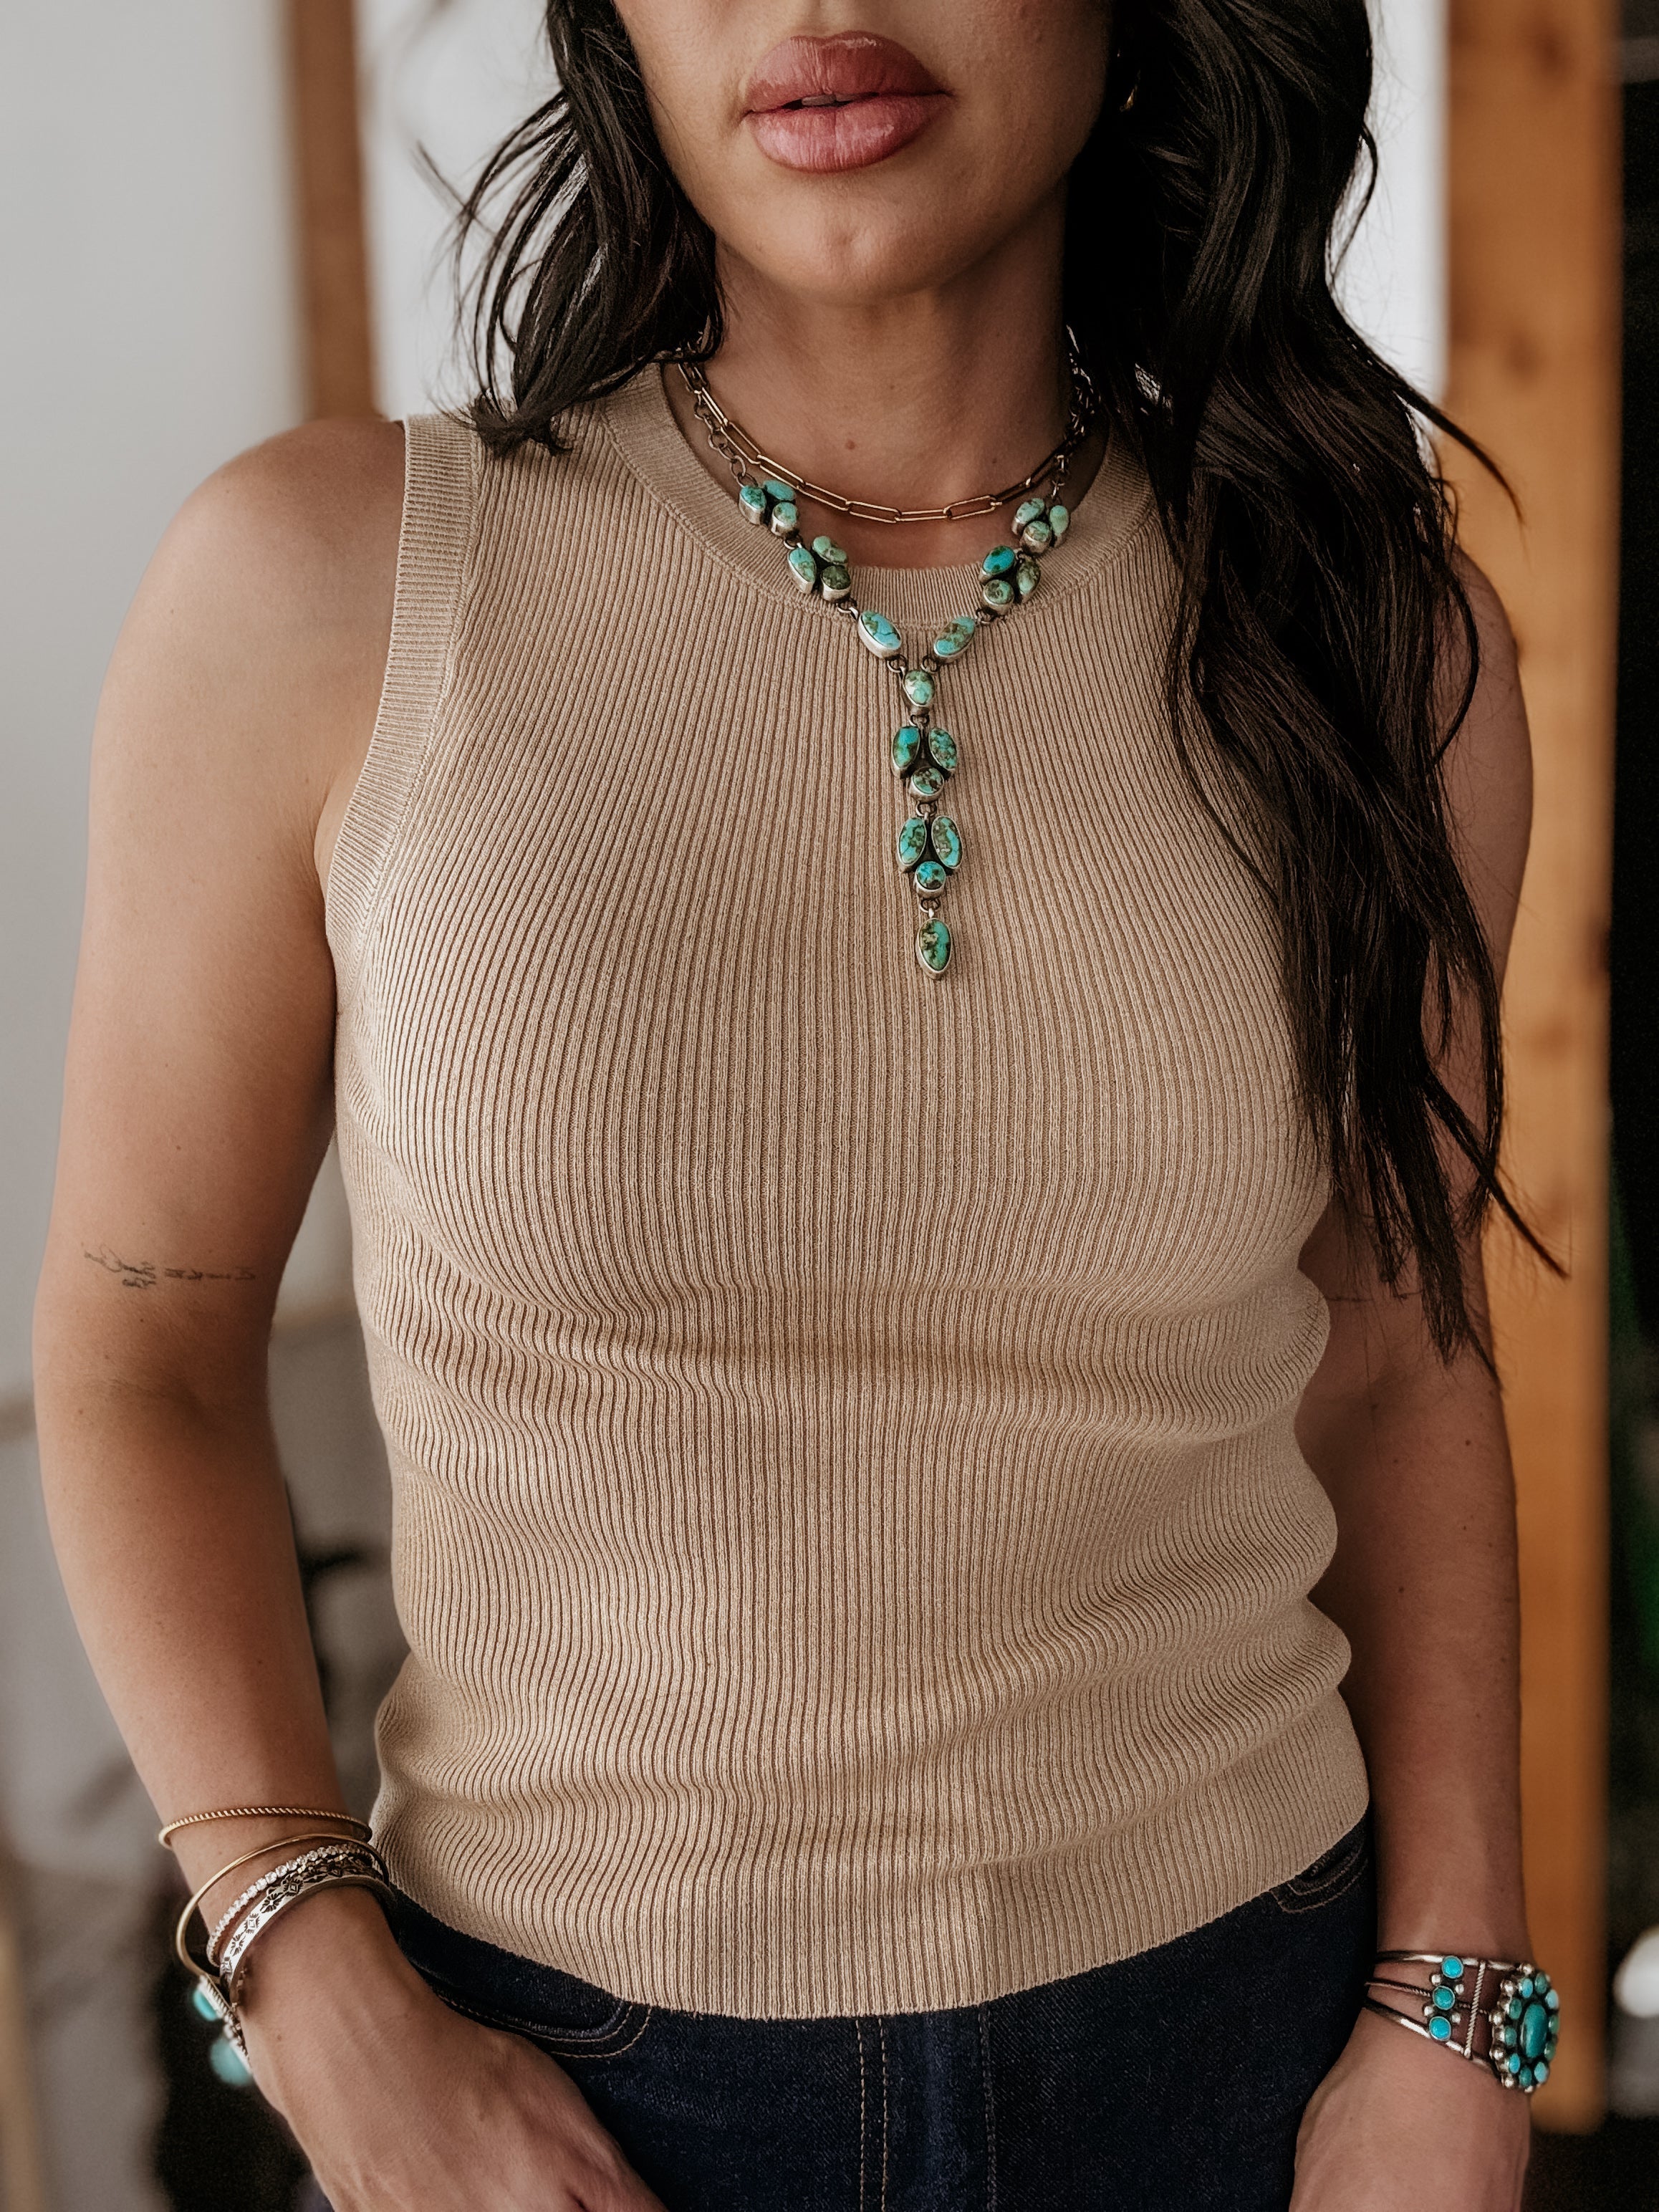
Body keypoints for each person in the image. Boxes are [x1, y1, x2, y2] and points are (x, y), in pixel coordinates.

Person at [32, 1, 1544, 2206]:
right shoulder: (323, 583)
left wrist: (1460, 2011)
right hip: (559, 2086)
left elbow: (1400, 1363)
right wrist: (308, 1974)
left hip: (1248, 2043)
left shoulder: (1373, 643)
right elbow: (143, 1345)